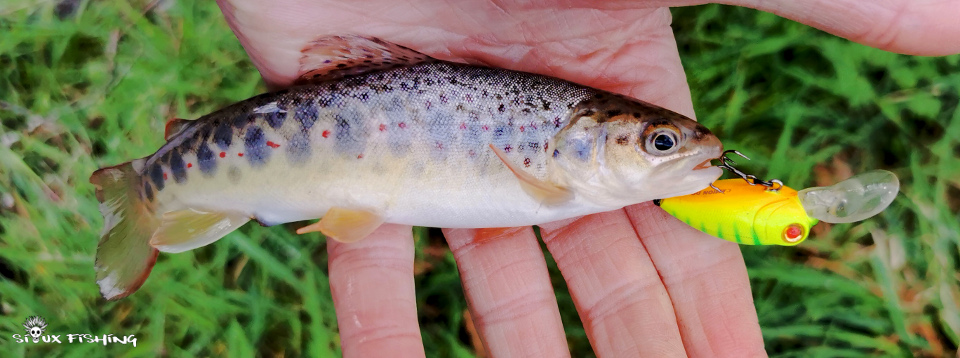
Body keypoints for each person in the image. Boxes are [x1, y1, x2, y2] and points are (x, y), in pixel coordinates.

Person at [214, 0, 960, 356]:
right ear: (579, 139)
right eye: (661, 142)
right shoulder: (555, 179)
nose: (682, 152)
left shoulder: (574, 171)